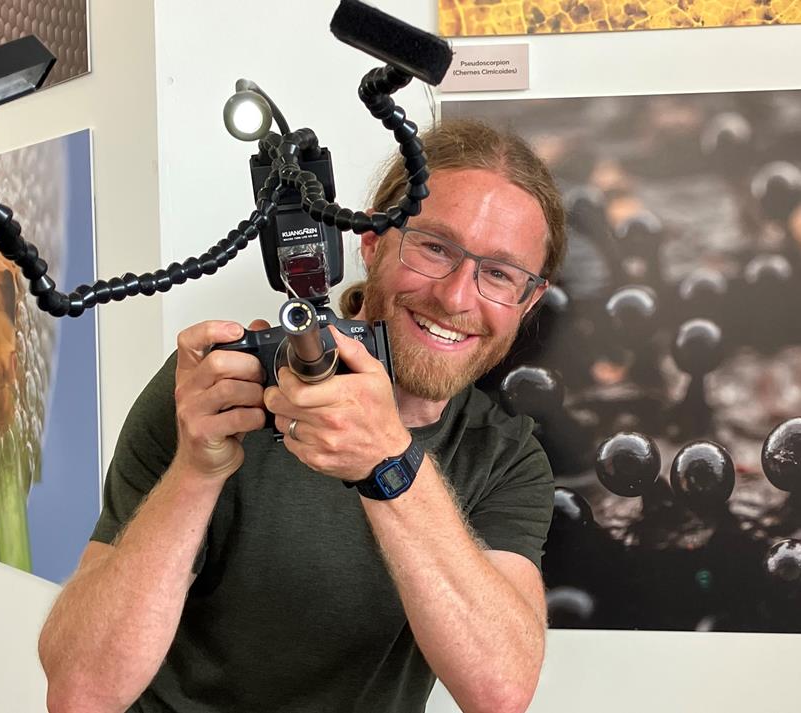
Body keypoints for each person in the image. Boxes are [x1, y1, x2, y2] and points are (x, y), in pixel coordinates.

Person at [38, 118, 568, 713]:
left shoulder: (504, 457)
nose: (455, 297)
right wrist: (195, 472)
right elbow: (81, 691)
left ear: (529, 300)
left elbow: (499, 691)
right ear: (372, 241)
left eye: (498, 274)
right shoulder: (221, 390)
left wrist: (388, 463)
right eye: (434, 247)